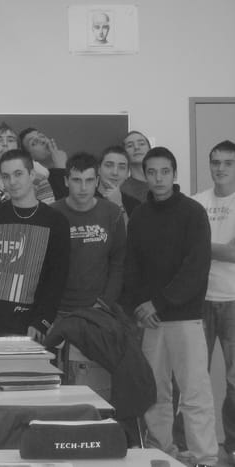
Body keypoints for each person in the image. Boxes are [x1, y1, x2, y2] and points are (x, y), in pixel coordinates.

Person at [122, 146, 218, 467]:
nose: (158, 178)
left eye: (165, 171)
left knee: (194, 394)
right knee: (155, 394)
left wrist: (158, 303)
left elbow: (196, 267)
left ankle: (205, 458)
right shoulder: (139, 216)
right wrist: (140, 305)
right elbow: (132, 267)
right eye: (152, 172)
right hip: (150, 320)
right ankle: (162, 453)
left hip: (184, 317)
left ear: (174, 174)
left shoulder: (193, 212)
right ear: (145, 175)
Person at [0, 149, 70, 341]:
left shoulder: (56, 221)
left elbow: (57, 277)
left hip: (26, 325)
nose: (12, 181)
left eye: (18, 174)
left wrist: (42, 320)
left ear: (32, 175)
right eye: (6, 176)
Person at [51, 153, 126, 400]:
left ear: (97, 181)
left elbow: (119, 263)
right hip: (57, 313)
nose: (83, 187)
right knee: (56, 386)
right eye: (76, 180)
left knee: (92, 387)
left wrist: (103, 304)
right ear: (66, 181)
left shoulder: (112, 213)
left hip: (96, 313)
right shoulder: (52, 213)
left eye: (89, 180)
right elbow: (45, 267)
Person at [193, 140, 235, 463]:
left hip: (234, 300)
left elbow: (233, 254)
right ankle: (193, 447)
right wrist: (221, 249)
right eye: (215, 162)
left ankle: (231, 446)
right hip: (198, 301)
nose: (220, 168)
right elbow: (184, 249)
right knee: (194, 380)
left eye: (228, 163)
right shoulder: (197, 203)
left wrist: (200, 246)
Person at [18, 127, 69, 200]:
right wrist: (61, 170)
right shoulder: (38, 182)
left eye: (42, 136)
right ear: (30, 157)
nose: (42, 141)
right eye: (34, 143)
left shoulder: (74, 166)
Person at [97, 145, 140, 220]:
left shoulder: (135, 205)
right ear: (99, 169)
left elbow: (130, 228)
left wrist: (119, 205)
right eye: (109, 165)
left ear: (127, 174)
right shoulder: (85, 198)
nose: (115, 172)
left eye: (121, 167)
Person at [120, 130, 151, 202]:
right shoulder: (122, 191)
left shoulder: (162, 183)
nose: (136, 147)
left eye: (141, 144)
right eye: (130, 146)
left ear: (150, 150)